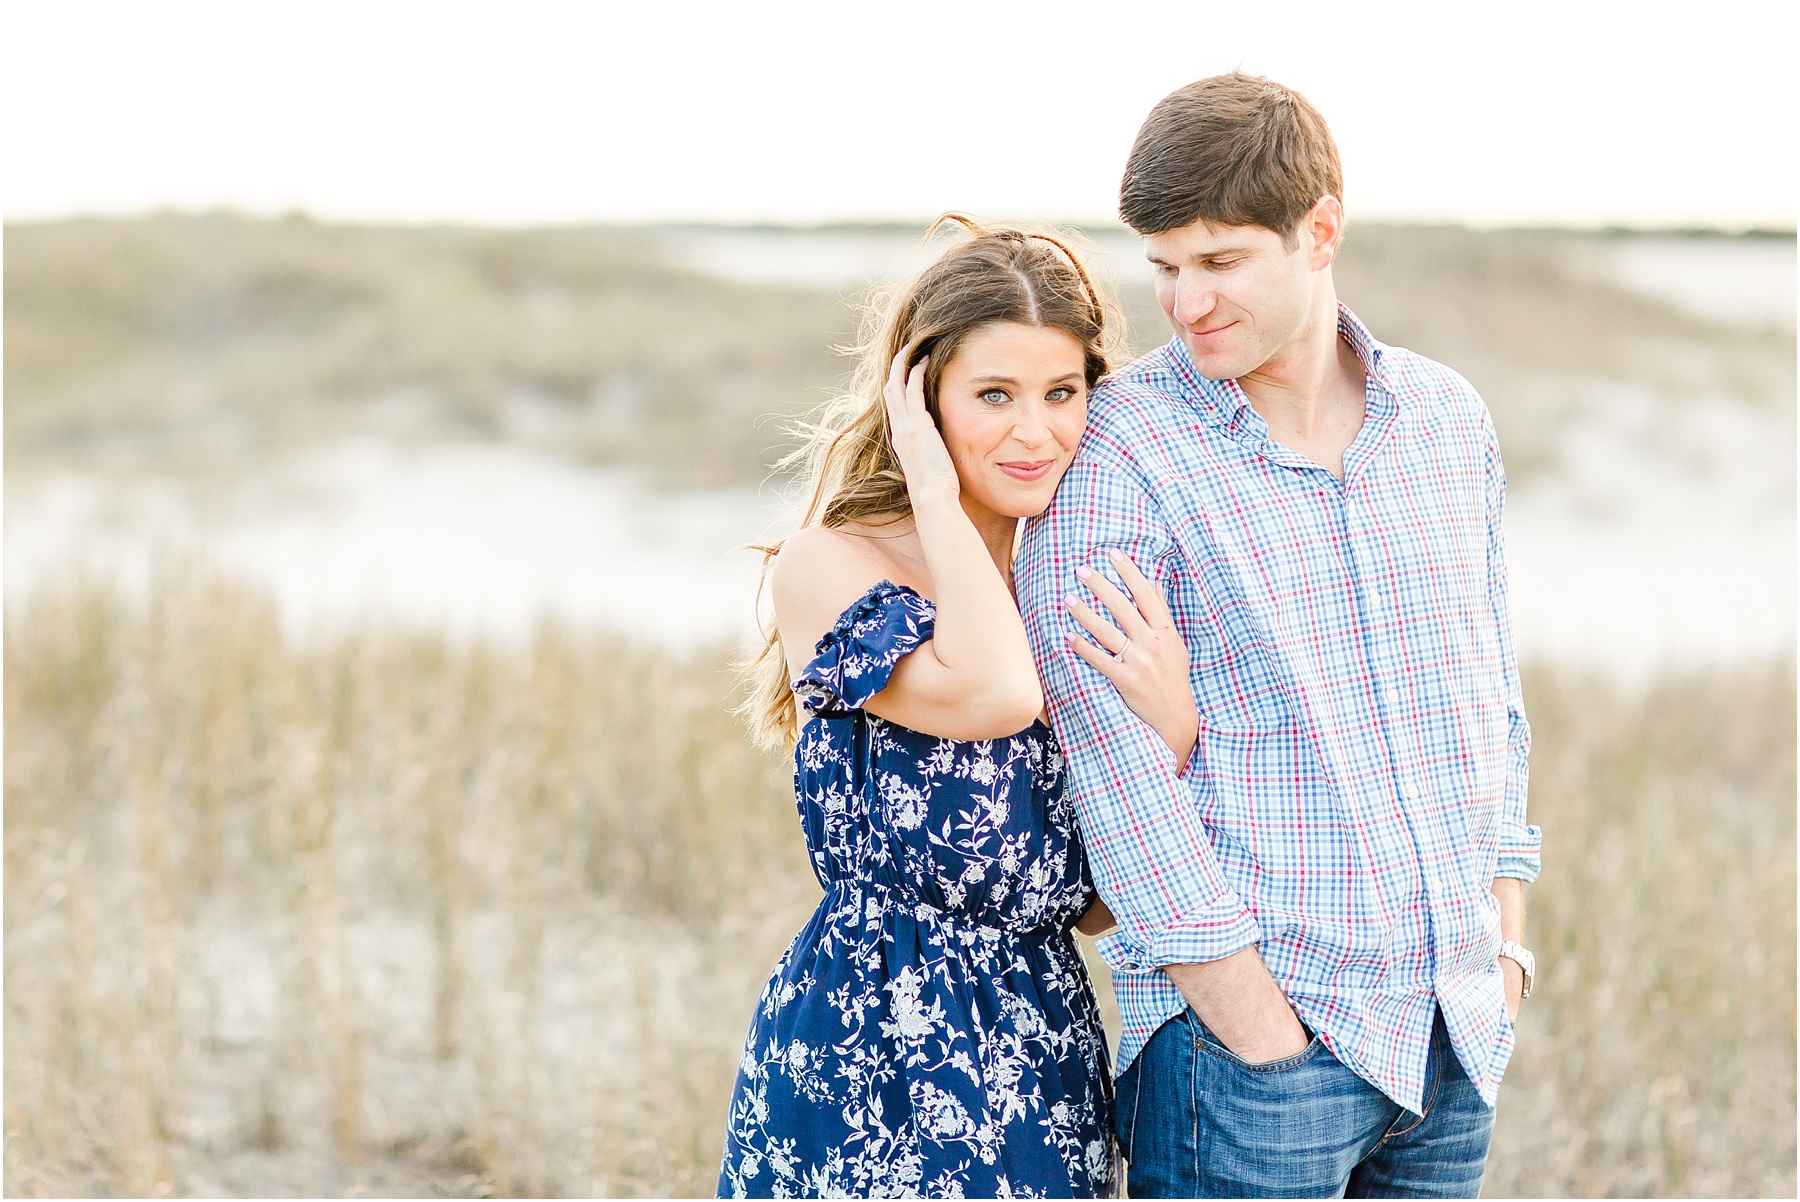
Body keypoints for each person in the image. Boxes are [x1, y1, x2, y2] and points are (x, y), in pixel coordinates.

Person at [1016, 74, 1544, 1198]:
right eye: (1163, 266)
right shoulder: (1121, 452)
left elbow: (1489, 694)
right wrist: (1257, 1021)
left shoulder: (1445, 421)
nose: (1185, 302)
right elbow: (1110, 769)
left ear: (1321, 231)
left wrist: (1504, 940)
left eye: (1219, 262)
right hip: (1255, 1053)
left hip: (1453, 1031)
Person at [718, 218, 1200, 1199]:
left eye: (1063, 393)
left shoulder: (1071, 588)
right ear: (920, 396)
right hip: (868, 1044)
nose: (1036, 431)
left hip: (1041, 1045)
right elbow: (997, 692)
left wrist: (1174, 734)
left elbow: (1099, 902)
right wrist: (935, 493)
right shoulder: (833, 565)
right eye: (993, 394)